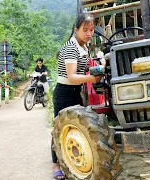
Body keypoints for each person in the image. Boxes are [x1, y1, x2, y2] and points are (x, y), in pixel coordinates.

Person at [51, 13, 102, 180]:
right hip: (64, 93)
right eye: (85, 30)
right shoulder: (70, 48)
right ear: (76, 30)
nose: (89, 33)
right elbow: (72, 76)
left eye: (92, 30)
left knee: (76, 127)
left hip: (76, 92)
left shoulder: (83, 46)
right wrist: (92, 78)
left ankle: (71, 162)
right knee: (60, 129)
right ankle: (56, 165)